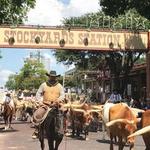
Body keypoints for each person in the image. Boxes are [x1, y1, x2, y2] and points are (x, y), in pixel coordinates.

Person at [32, 70, 65, 139]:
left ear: (56, 77)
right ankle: (37, 129)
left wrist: (57, 100)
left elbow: (62, 95)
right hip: (45, 105)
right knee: (38, 114)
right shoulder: (43, 85)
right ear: (49, 76)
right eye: (51, 76)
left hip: (56, 105)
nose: (52, 78)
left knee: (65, 113)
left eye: (54, 77)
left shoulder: (59, 86)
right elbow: (38, 93)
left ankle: (65, 129)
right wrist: (40, 103)